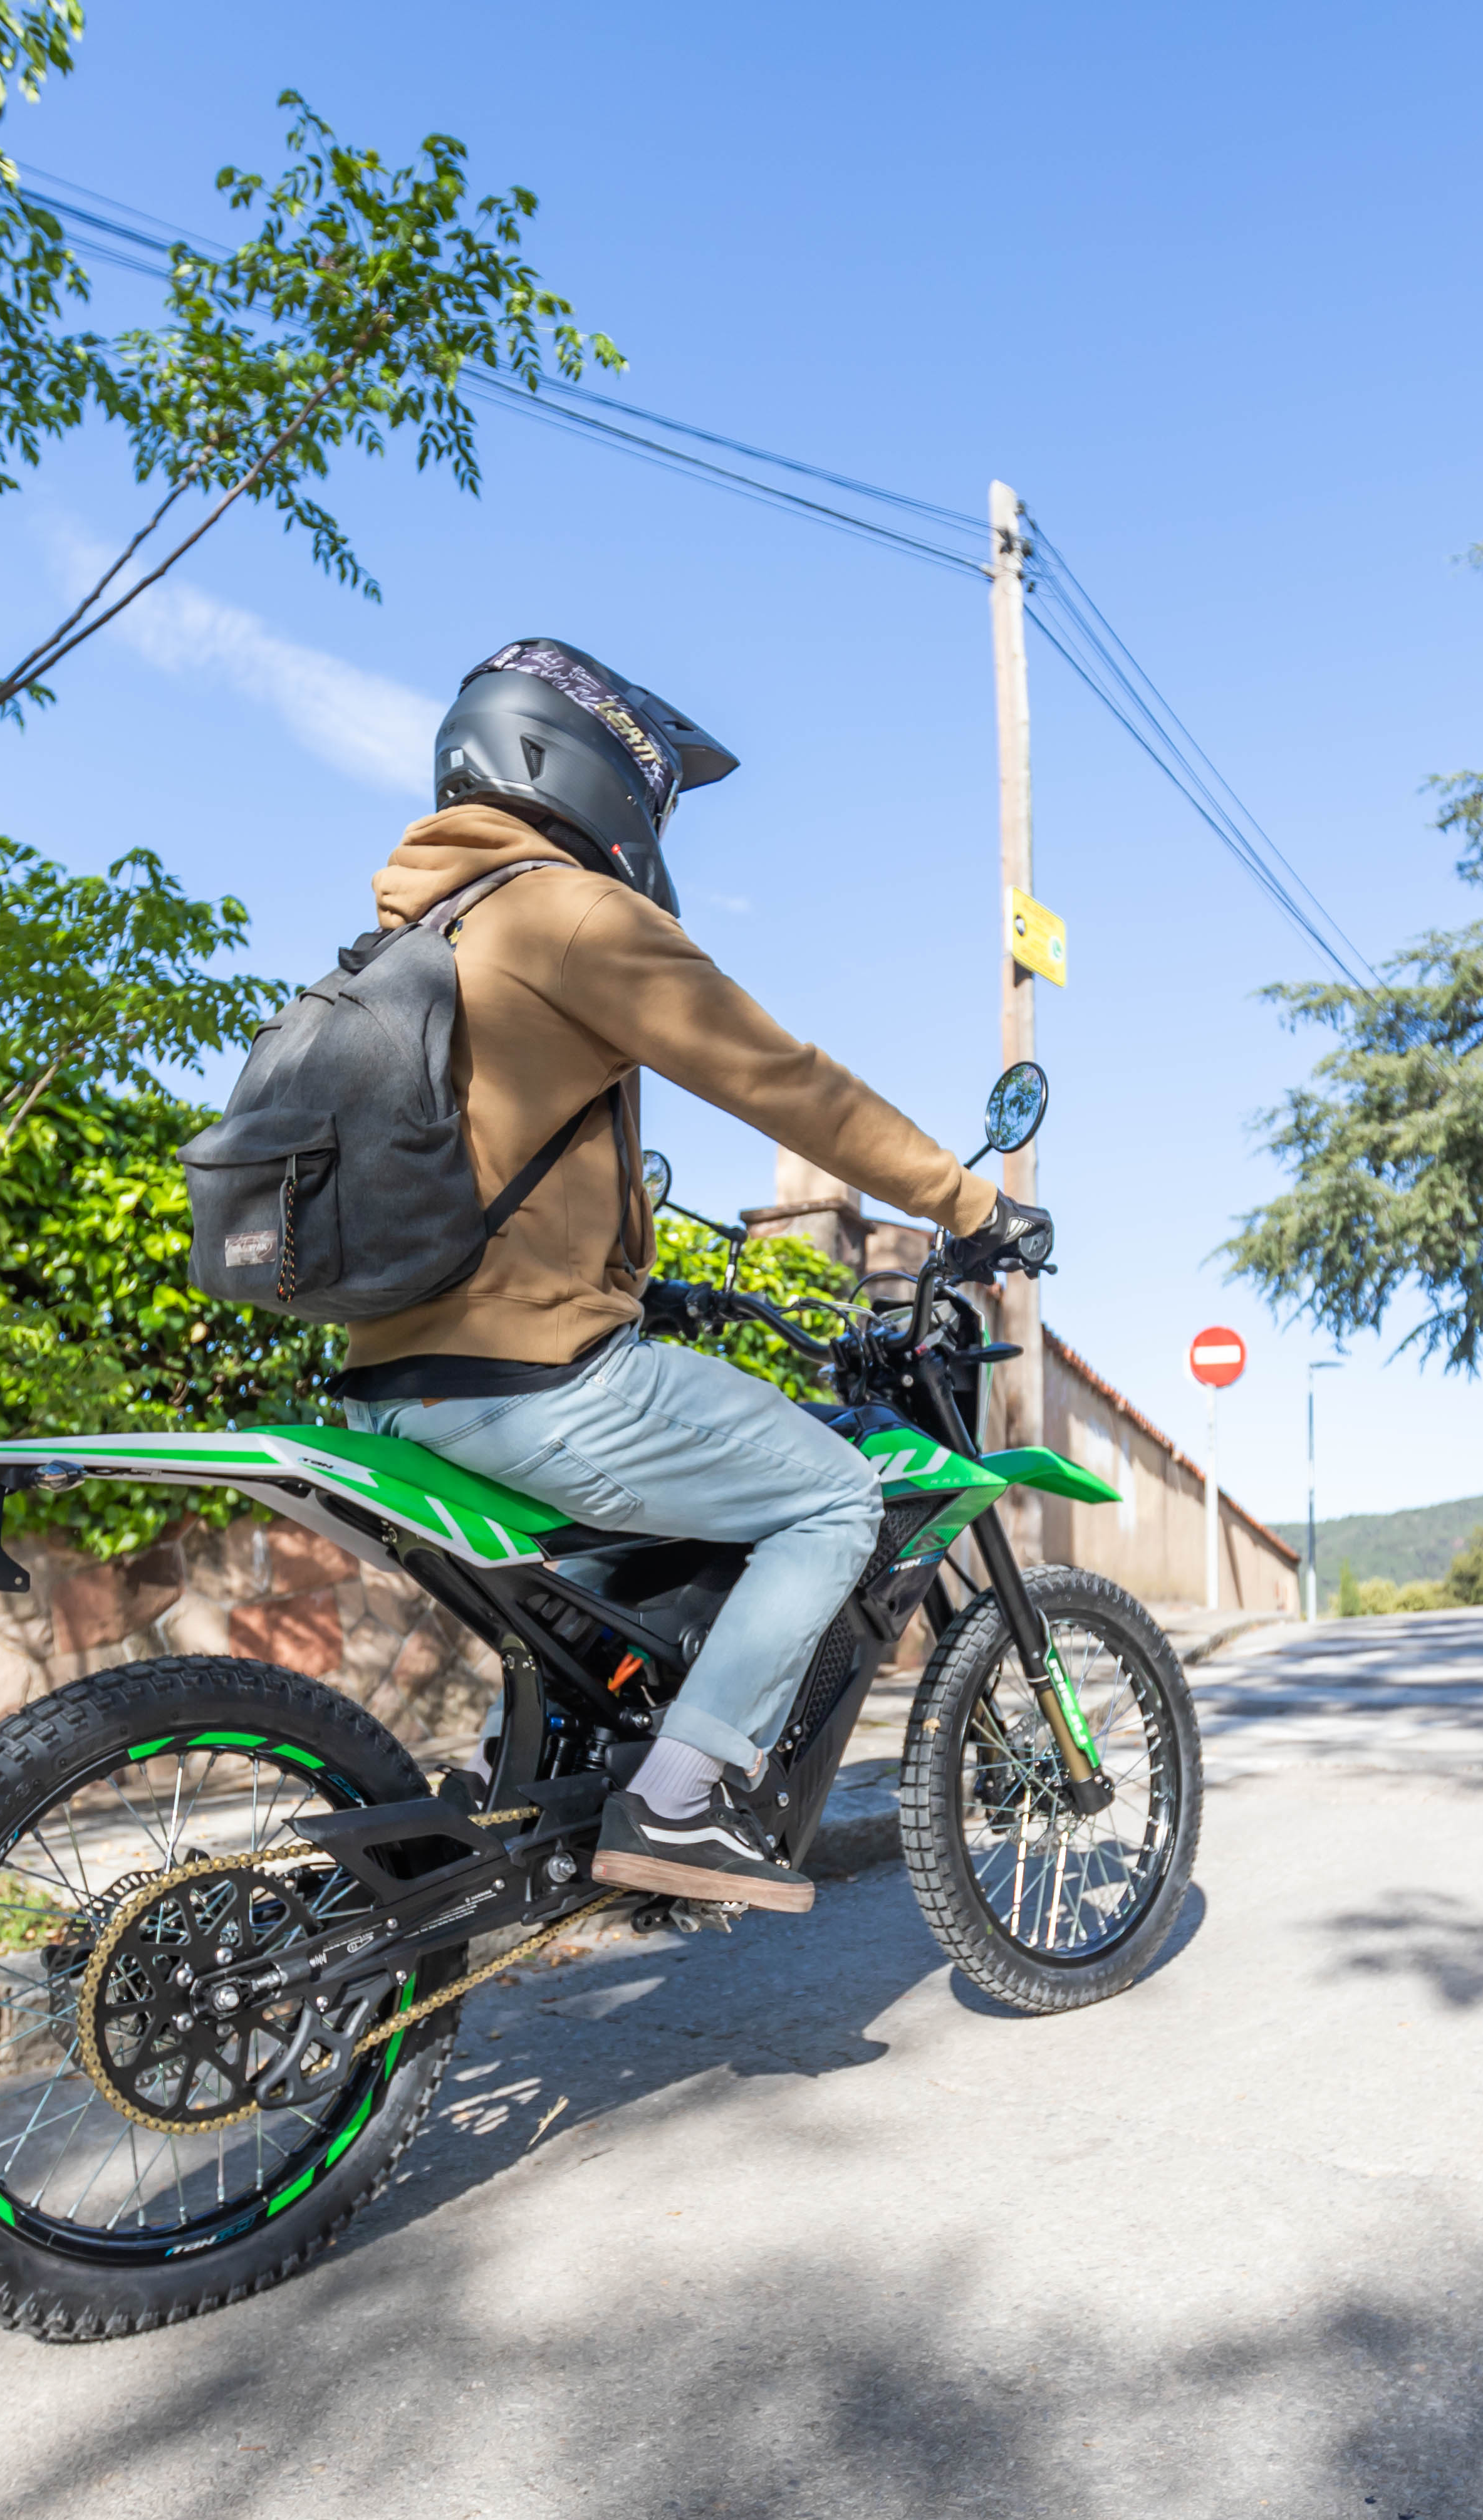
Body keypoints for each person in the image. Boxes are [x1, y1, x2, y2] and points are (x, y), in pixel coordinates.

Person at [332, 638, 1051, 1915]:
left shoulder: (410, 937)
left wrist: (626, 1279)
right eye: (651, 788)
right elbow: (785, 1082)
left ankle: (536, 1788)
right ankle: (678, 1799)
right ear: (583, 765)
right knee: (830, 1498)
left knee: (636, 1552)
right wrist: (969, 1198)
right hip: (524, 1382)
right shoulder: (567, 911)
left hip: (392, 1384)